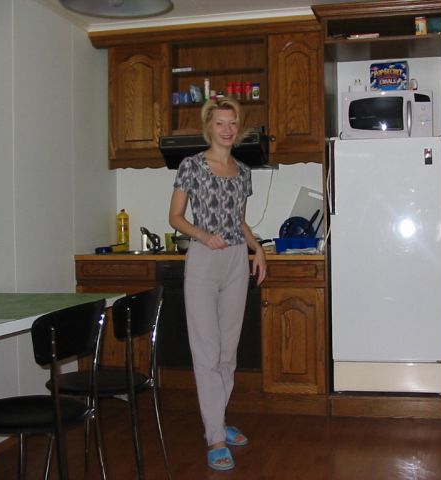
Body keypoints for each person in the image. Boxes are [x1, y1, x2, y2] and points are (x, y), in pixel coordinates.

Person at [168, 97, 266, 471]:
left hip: (237, 260)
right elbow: (176, 217)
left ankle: (218, 420)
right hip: (204, 260)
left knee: (228, 352)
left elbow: (239, 221)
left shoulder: (243, 172)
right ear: (209, 127)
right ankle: (215, 437)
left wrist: (258, 249)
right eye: (220, 123)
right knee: (207, 352)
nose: (227, 129)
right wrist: (204, 236)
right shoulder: (191, 166)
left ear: (238, 128)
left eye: (232, 123)